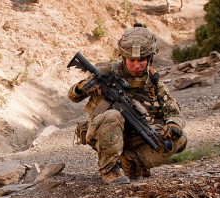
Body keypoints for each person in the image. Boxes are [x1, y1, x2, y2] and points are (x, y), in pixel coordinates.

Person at [68, 25, 187, 184]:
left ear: (150, 58)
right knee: (113, 115)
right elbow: (73, 96)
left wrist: (174, 125)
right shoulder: (107, 71)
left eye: (142, 60)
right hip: (102, 130)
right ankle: (109, 170)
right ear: (123, 57)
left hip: (134, 132)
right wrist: (82, 87)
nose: (137, 66)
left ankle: (130, 163)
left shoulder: (152, 81)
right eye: (132, 60)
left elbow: (174, 112)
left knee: (180, 139)